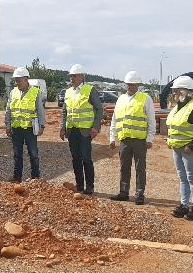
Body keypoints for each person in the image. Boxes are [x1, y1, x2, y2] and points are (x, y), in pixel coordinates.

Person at [165, 76, 193, 221]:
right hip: (177, 148)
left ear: (184, 91)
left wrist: (192, 146)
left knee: (192, 177)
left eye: (176, 90)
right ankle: (184, 205)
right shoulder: (178, 106)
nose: (173, 93)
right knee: (182, 178)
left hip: (189, 149)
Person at [109, 71, 156, 205]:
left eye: (133, 84)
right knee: (124, 167)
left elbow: (151, 120)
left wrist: (149, 139)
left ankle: (139, 194)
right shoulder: (121, 99)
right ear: (126, 85)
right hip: (124, 140)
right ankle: (124, 192)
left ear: (138, 85)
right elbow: (115, 119)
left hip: (140, 141)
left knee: (140, 168)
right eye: (129, 84)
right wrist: (112, 137)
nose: (131, 87)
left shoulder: (145, 98)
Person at [60, 64, 105, 194]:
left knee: (86, 158)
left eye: (74, 76)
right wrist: (62, 128)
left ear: (81, 77)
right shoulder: (68, 92)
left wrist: (96, 127)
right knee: (75, 159)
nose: (71, 78)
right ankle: (79, 186)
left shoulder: (89, 90)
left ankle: (89, 187)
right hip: (72, 131)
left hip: (85, 131)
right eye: (70, 76)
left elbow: (99, 109)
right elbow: (65, 112)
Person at [5, 67, 45, 182]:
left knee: (33, 154)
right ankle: (17, 177)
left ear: (26, 78)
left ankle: (35, 177)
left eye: (19, 79)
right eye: (16, 80)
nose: (17, 82)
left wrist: (42, 125)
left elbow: (40, 110)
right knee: (17, 154)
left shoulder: (36, 92)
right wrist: (8, 125)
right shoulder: (13, 92)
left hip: (29, 128)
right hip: (16, 128)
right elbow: (8, 110)